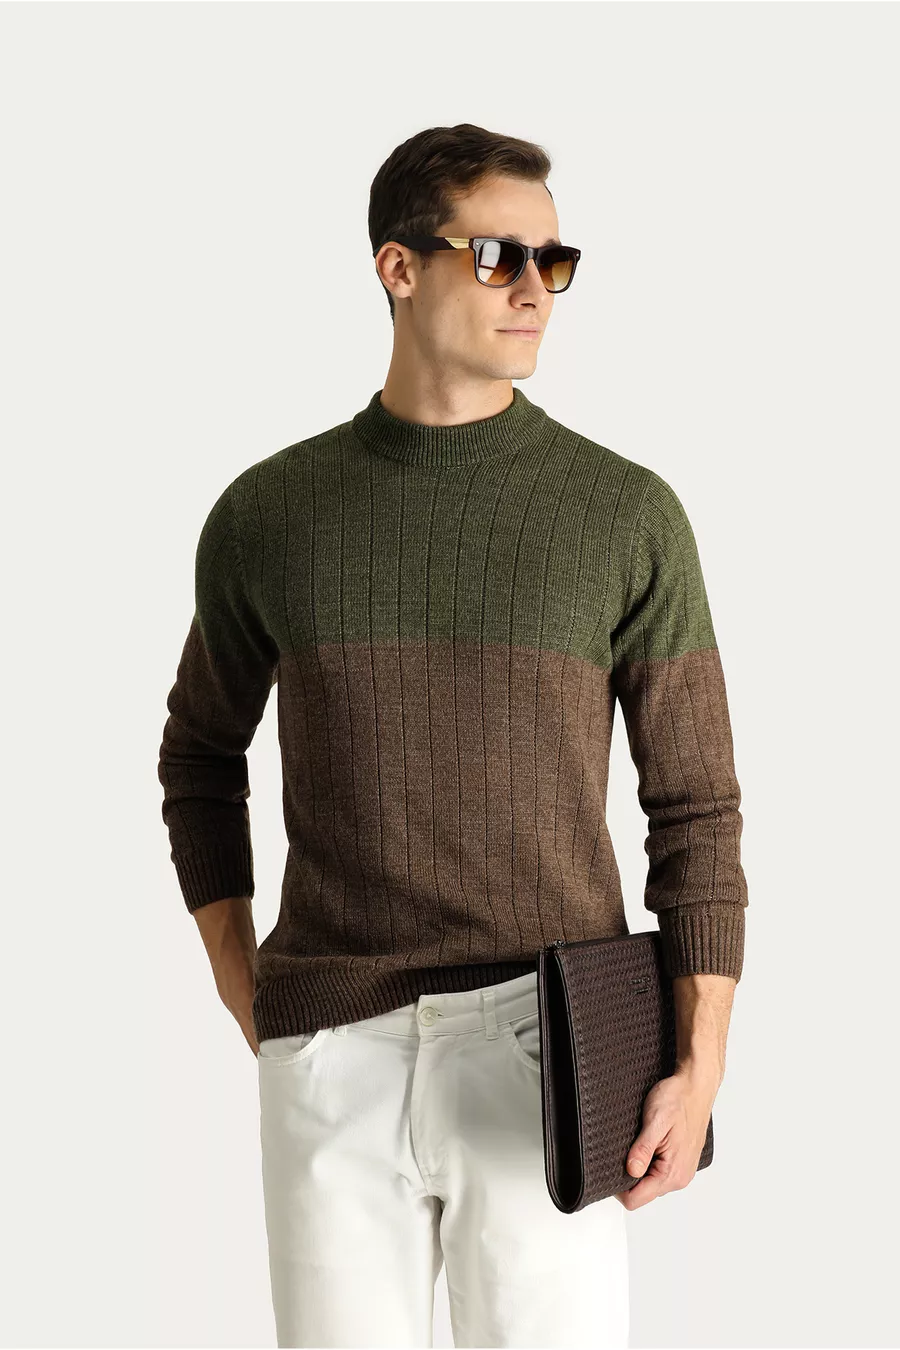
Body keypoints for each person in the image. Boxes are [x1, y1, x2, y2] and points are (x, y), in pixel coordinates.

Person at [158, 122, 748, 1350]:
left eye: (553, 260)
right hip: (331, 1049)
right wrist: (244, 985)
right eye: (496, 255)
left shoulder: (625, 514)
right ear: (398, 267)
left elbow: (695, 804)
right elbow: (199, 758)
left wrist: (700, 1061)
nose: (535, 289)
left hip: (552, 1043)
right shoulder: (268, 515)